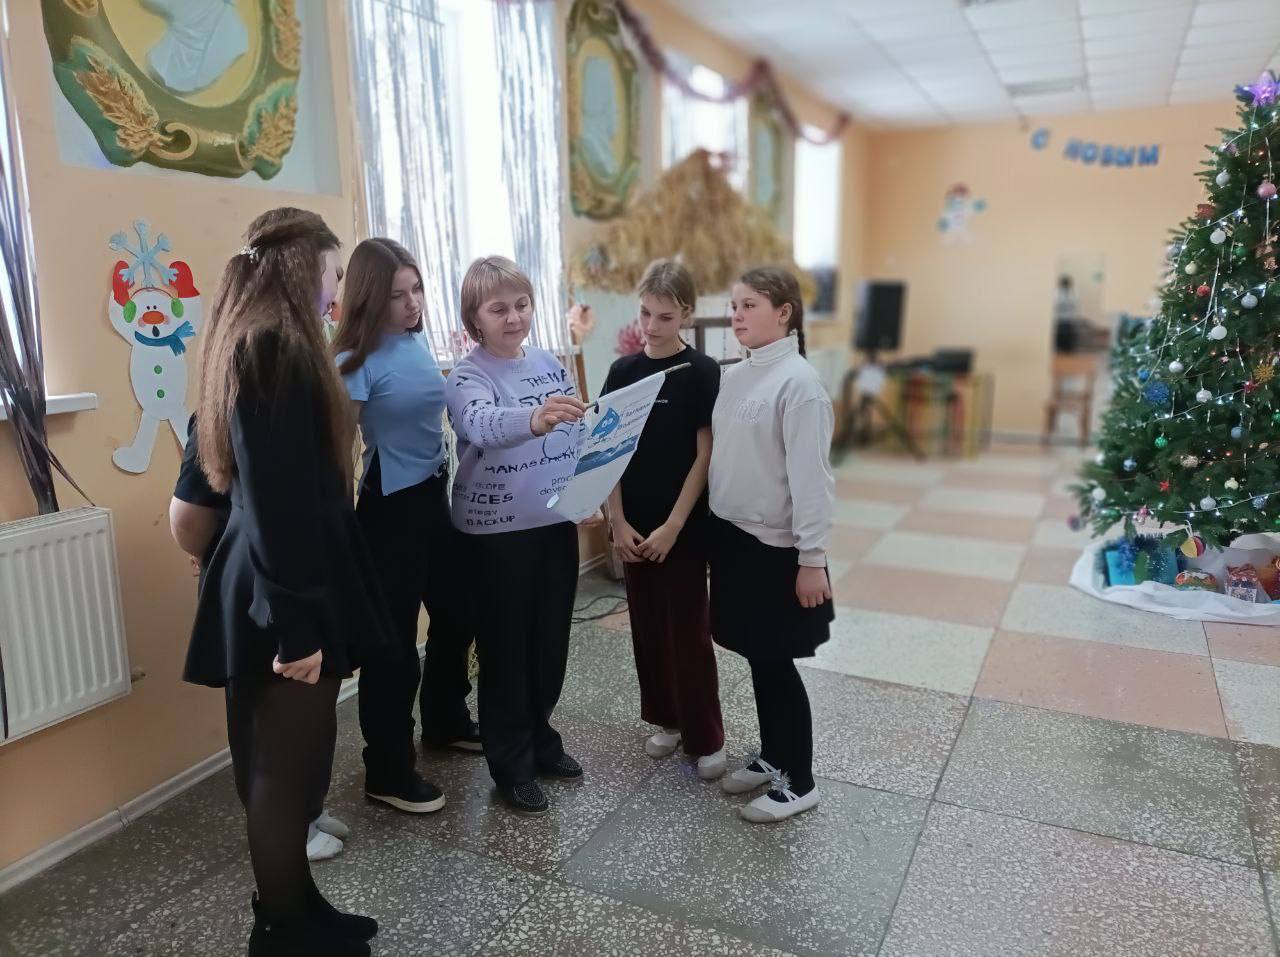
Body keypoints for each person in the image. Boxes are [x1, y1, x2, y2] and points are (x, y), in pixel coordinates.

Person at [186, 207, 393, 955]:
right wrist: (296, 626)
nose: (336, 293)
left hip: (285, 576)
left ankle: (299, 905)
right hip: (281, 590)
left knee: (291, 765)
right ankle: (279, 928)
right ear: (304, 267)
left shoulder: (262, 341)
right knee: (281, 770)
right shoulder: (270, 346)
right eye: (333, 274)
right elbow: (276, 503)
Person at [332, 238, 479, 816]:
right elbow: (340, 451)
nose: (413, 302)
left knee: (458, 610)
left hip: (431, 496)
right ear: (369, 298)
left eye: (416, 289)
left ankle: (445, 720)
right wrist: (335, 531)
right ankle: (387, 769)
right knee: (392, 646)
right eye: (398, 295)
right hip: (389, 508)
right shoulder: (353, 360)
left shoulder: (415, 340)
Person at [445, 255, 597, 816]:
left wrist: (585, 492)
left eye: (522, 305)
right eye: (498, 309)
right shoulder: (466, 377)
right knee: (505, 651)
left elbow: (576, 432)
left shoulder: (548, 363)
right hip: (494, 537)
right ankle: (511, 763)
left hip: (552, 525)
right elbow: (480, 424)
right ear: (475, 319)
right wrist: (534, 419)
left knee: (548, 644)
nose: (514, 318)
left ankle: (540, 739)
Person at [170, 416, 351, 863]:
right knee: (262, 716)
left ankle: (308, 808)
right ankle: (286, 825)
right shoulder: (223, 414)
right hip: (256, 582)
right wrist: (216, 554)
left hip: (305, 576)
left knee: (311, 707)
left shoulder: (300, 402)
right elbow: (188, 516)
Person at [708, 266, 834, 824]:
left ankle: (800, 781)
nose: (737, 315)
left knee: (777, 660)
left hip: (776, 547)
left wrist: (813, 559)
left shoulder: (800, 385)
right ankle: (773, 755)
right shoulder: (735, 376)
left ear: (784, 313)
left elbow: (812, 482)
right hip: (733, 539)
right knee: (758, 655)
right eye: (734, 305)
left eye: (750, 305)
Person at [602, 259, 725, 779]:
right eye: (645, 313)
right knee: (648, 627)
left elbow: (705, 455)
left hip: (682, 526)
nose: (652, 327)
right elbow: (607, 452)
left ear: (687, 315)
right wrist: (616, 520)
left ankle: (706, 735)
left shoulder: (702, 372)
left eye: (665, 317)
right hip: (634, 523)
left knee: (688, 631)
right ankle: (667, 720)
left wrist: (674, 526)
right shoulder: (622, 373)